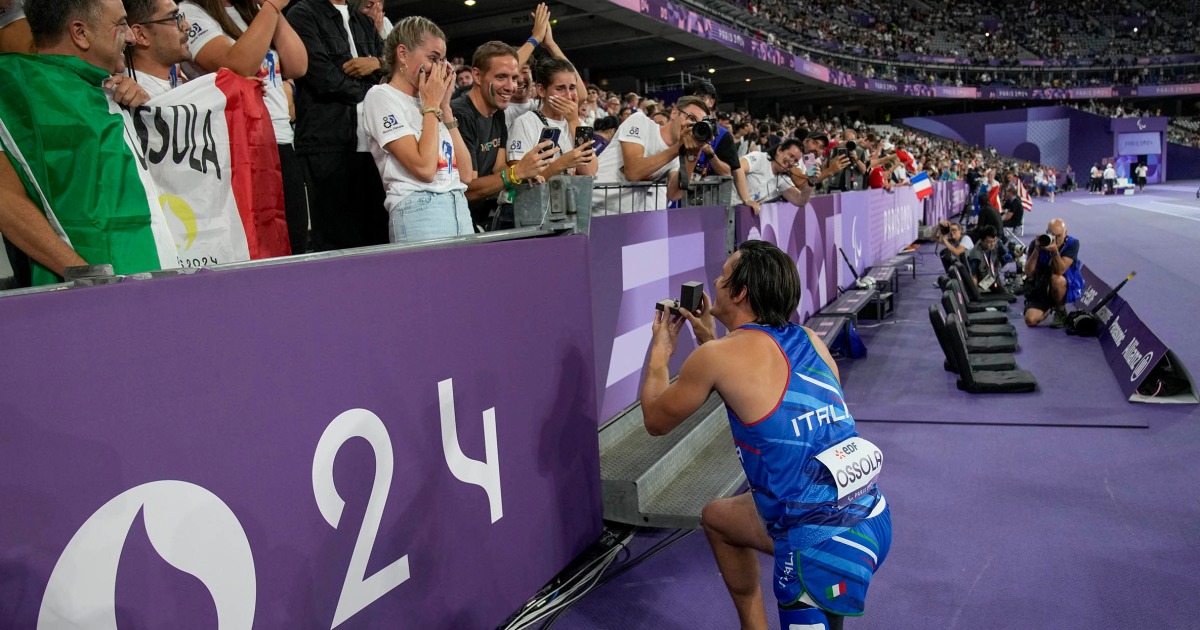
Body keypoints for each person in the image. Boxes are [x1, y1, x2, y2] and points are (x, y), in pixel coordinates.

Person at [640, 240, 890, 630]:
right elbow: (751, 378)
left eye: (723, 277)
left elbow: (655, 419)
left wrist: (660, 351)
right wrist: (714, 336)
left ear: (739, 292)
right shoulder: (810, 339)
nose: (716, 283)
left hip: (817, 540)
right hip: (871, 515)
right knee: (719, 519)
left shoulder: (717, 357)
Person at [1, 0, 176, 287]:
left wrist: (145, 114)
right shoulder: (14, 89)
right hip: (85, 302)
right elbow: (5, 199)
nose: (131, 37)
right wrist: (86, 275)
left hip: (158, 287)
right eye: (120, 24)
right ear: (80, 33)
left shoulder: (117, 94)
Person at [180, 0, 307, 253]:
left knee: (294, 242)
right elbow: (238, 64)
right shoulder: (190, 12)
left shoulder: (255, 10)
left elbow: (298, 65)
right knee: (257, 248)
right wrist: (272, 7)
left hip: (280, 140)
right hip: (239, 147)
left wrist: (271, 9)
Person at [362, 16, 473, 244]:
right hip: (420, 210)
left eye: (443, 60)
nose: (440, 69)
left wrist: (445, 108)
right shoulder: (381, 96)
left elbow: (466, 174)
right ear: (402, 53)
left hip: (459, 206)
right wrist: (432, 105)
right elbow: (424, 169)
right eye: (433, 58)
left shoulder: (430, 102)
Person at [288, 0, 387, 253]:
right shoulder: (303, 13)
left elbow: (390, 75)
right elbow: (322, 77)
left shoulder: (363, 21)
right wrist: (373, 91)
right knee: (335, 240)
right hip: (327, 142)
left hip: (374, 144)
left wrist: (377, 62)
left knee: (378, 237)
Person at [450, 37, 551, 231]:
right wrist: (515, 173)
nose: (511, 86)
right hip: (452, 223)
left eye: (514, 78)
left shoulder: (497, 112)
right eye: (501, 77)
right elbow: (466, 189)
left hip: (474, 219)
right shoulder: (460, 115)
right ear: (477, 77)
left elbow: (498, 167)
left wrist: (525, 173)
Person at [590, 96, 710, 215]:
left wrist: (693, 155)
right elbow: (633, 172)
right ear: (674, 113)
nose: (693, 127)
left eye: (699, 125)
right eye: (691, 118)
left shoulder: (676, 154)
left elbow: (674, 194)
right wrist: (678, 148)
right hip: (591, 207)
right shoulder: (640, 122)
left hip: (621, 218)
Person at [505, 55, 596, 190]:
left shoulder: (578, 124)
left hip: (571, 205)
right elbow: (521, 182)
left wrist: (573, 121)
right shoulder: (525, 123)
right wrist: (561, 164)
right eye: (560, 88)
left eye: (572, 88)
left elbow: (589, 172)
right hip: (534, 206)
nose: (568, 95)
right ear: (541, 90)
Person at [122, 0, 191, 97]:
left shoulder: (175, 77)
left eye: (179, 16)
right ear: (141, 35)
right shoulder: (134, 98)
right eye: (173, 18)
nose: (187, 26)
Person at [1023, 218, 1082, 328]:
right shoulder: (1038, 243)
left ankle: (1060, 310)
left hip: (1062, 284)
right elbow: (1029, 273)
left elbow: (1061, 270)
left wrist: (1055, 251)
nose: (1055, 239)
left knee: (1057, 279)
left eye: (1059, 236)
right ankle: (1049, 307)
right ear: (1047, 233)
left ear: (1066, 233)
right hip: (1042, 285)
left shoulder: (1072, 244)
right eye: (1052, 235)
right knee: (1030, 320)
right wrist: (1036, 251)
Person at [966, 225, 1003, 295]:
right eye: (989, 241)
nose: (992, 244)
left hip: (993, 277)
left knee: (1006, 292)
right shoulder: (975, 255)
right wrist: (976, 295)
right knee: (1005, 294)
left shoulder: (995, 244)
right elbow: (973, 276)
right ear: (981, 241)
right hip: (983, 285)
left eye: (994, 240)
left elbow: (1006, 255)